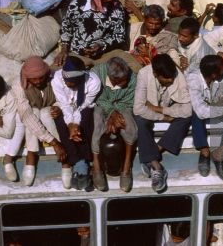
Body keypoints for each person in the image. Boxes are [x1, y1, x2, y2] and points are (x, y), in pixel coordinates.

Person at [134, 54, 192, 193]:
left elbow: (187, 110)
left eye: (172, 77)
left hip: (166, 109)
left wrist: (160, 110)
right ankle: (157, 167)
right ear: (155, 74)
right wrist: (163, 117)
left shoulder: (177, 75)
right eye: (166, 78)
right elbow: (138, 108)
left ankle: (153, 153)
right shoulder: (144, 74)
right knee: (141, 121)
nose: (171, 80)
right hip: (151, 113)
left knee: (186, 118)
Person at [12, 56, 69, 186]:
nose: (38, 81)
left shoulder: (55, 77)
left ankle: (65, 161)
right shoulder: (18, 86)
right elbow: (26, 115)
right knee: (34, 113)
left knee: (44, 112)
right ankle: (32, 155)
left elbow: (66, 99)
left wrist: (59, 107)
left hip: (52, 116)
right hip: (31, 117)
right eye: (34, 79)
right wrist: (54, 143)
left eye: (41, 78)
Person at [187, 54, 223, 180]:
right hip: (201, 111)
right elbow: (201, 111)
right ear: (213, 74)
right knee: (195, 114)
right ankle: (204, 151)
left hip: (216, 107)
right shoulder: (193, 80)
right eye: (222, 69)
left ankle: (219, 153)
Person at [56, 0, 129, 67]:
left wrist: (101, 44)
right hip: (76, 53)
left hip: (104, 55)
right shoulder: (77, 4)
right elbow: (66, 27)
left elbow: (120, 37)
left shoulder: (116, 9)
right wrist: (64, 50)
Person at [53, 56, 102, 191]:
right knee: (58, 117)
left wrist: (75, 125)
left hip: (84, 109)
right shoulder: (57, 78)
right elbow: (64, 104)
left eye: (72, 81)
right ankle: (81, 162)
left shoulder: (93, 81)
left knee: (86, 115)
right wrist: (70, 125)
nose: (67, 84)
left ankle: (82, 164)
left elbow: (84, 105)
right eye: (66, 80)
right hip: (66, 108)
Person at [90, 57, 139, 192]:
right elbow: (97, 97)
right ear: (111, 77)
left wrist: (116, 114)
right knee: (97, 126)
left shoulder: (133, 78)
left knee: (130, 128)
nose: (125, 83)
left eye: (125, 80)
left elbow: (129, 101)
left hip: (123, 107)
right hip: (101, 105)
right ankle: (97, 167)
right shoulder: (96, 74)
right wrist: (111, 112)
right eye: (120, 82)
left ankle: (126, 167)